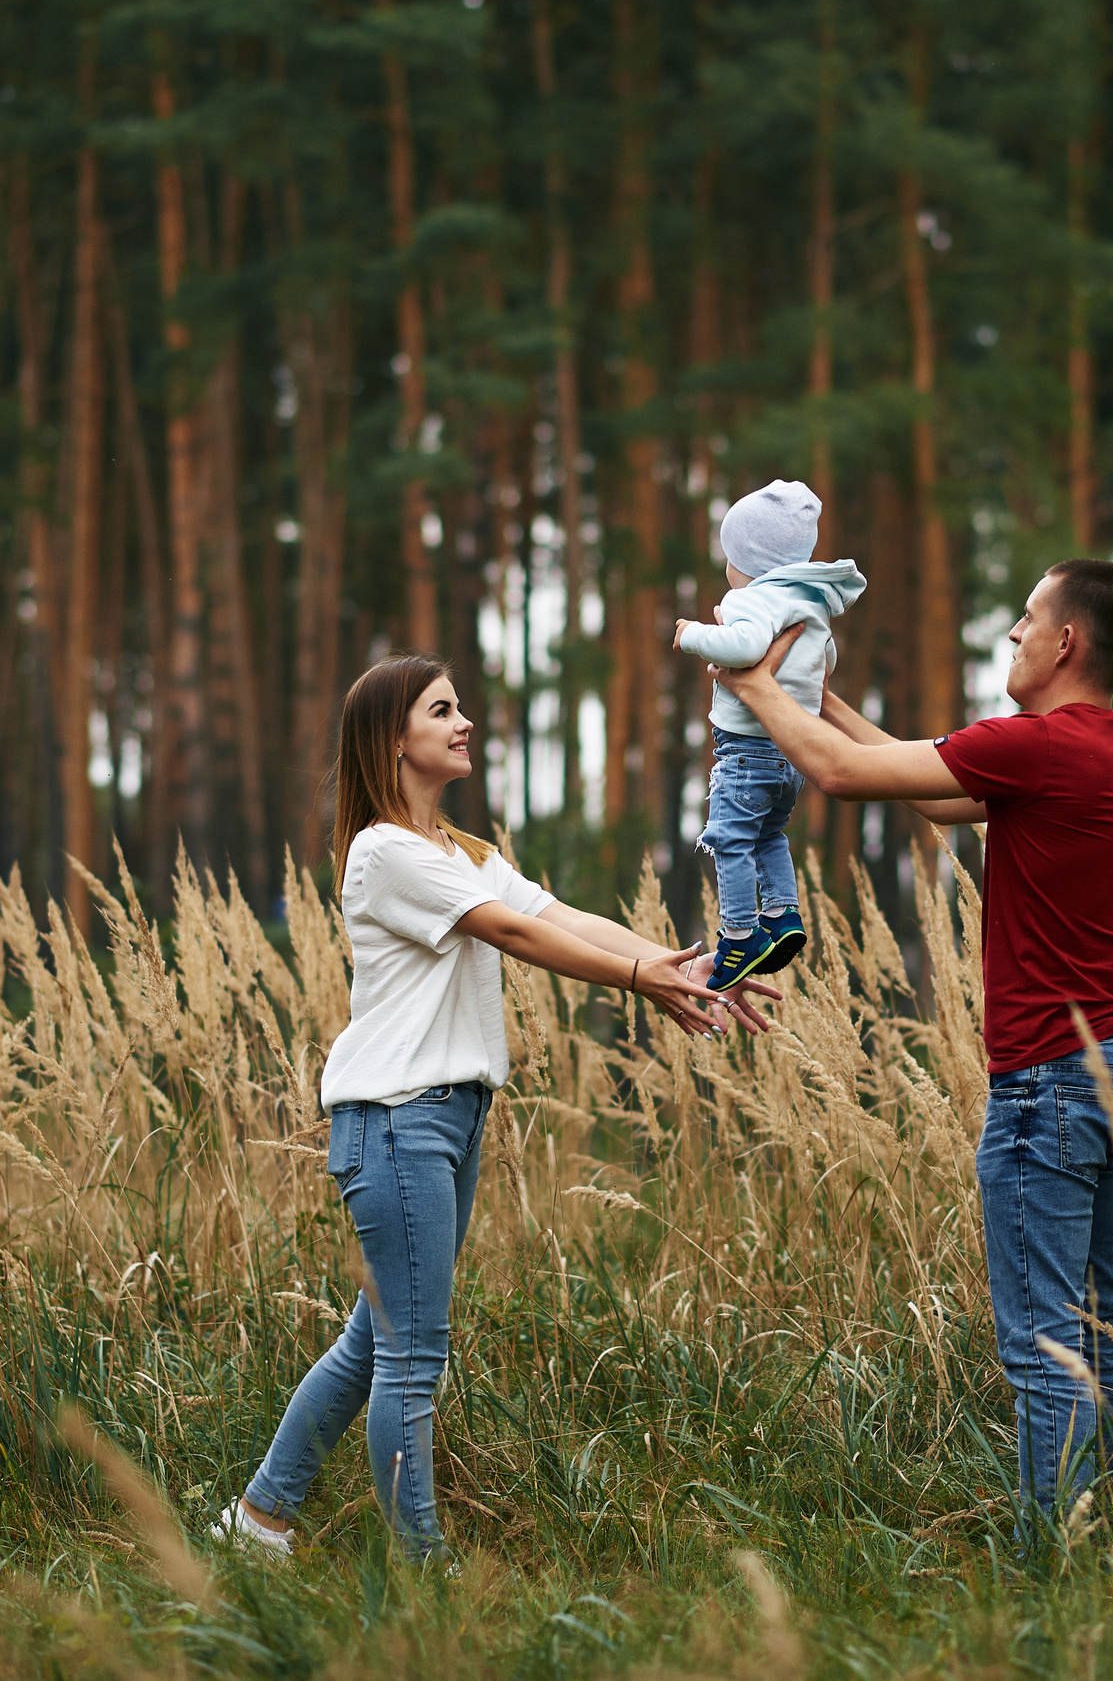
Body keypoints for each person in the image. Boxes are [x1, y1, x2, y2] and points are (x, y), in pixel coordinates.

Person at [213, 654, 771, 1564]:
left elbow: (561, 915)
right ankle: (418, 1563)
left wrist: (680, 966)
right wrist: (638, 980)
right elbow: (512, 933)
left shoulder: (458, 850)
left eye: (461, 706)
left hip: (444, 1120)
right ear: (395, 739)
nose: (464, 720)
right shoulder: (384, 850)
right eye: (443, 710)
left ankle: (260, 1520)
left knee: (376, 1342)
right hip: (397, 1120)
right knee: (410, 1353)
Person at [709, 559, 1113, 1528]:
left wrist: (751, 688)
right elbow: (943, 794)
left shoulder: (1039, 747)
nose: (1013, 635)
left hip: (1047, 1082)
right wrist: (815, 695)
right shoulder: (1110, 749)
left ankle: (1060, 1564)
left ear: (1065, 642)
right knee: (1091, 1329)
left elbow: (838, 775)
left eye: (1026, 619)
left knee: (1043, 1347)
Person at [670, 480, 867, 989]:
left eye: (729, 557)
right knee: (768, 834)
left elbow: (745, 644)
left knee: (729, 838)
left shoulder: (753, 597)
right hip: (790, 755)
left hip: (746, 752)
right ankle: (782, 916)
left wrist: (693, 634)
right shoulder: (809, 601)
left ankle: (738, 936)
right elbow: (827, 663)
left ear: (749, 562)